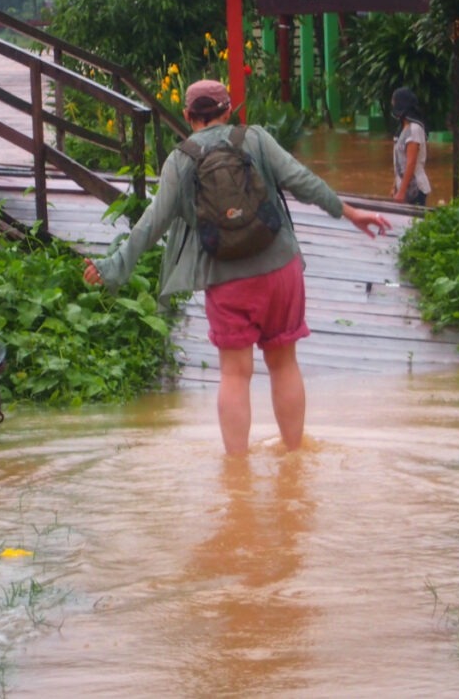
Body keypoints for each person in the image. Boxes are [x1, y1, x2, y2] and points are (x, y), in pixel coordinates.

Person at [82, 80, 390, 456]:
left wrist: (112, 266)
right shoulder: (256, 138)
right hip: (280, 268)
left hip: (226, 278)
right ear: (229, 110)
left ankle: (237, 471)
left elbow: (152, 223)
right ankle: (295, 456)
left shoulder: (181, 160)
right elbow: (300, 180)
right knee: (283, 364)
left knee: (234, 374)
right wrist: (350, 212)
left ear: (188, 116)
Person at [390, 87, 432, 206]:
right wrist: (395, 186)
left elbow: (411, 162)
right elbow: (400, 163)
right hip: (405, 188)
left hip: (416, 190)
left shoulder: (414, 129)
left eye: (394, 103)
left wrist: (402, 192)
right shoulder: (402, 130)